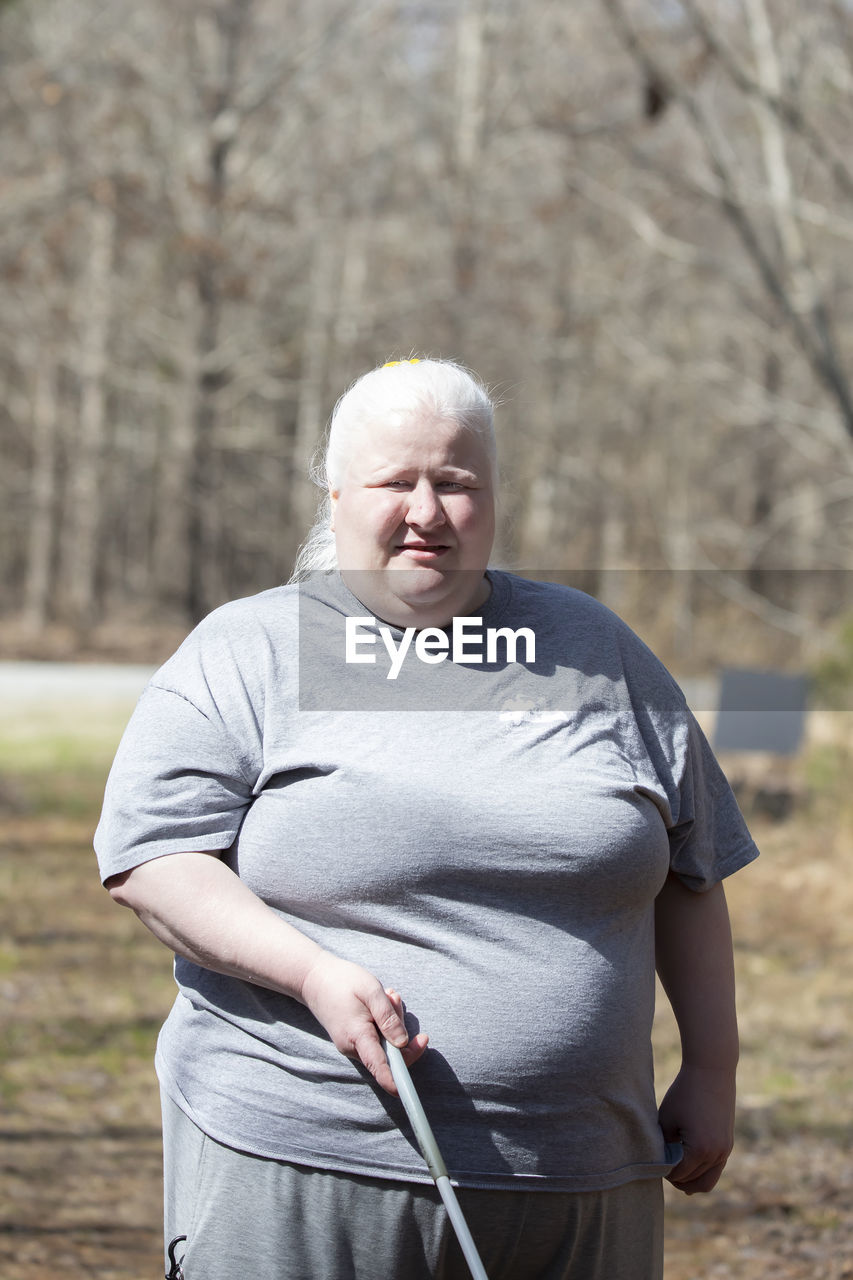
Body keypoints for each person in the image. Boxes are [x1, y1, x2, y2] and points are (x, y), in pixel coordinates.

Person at [95, 357, 758, 1280]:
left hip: (583, 1176)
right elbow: (154, 858)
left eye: (455, 482)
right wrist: (310, 972)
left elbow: (691, 869)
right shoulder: (247, 650)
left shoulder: (598, 651)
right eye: (394, 482)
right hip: (305, 1160)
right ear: (334, 497)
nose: (426, 511)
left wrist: (713, 1067)